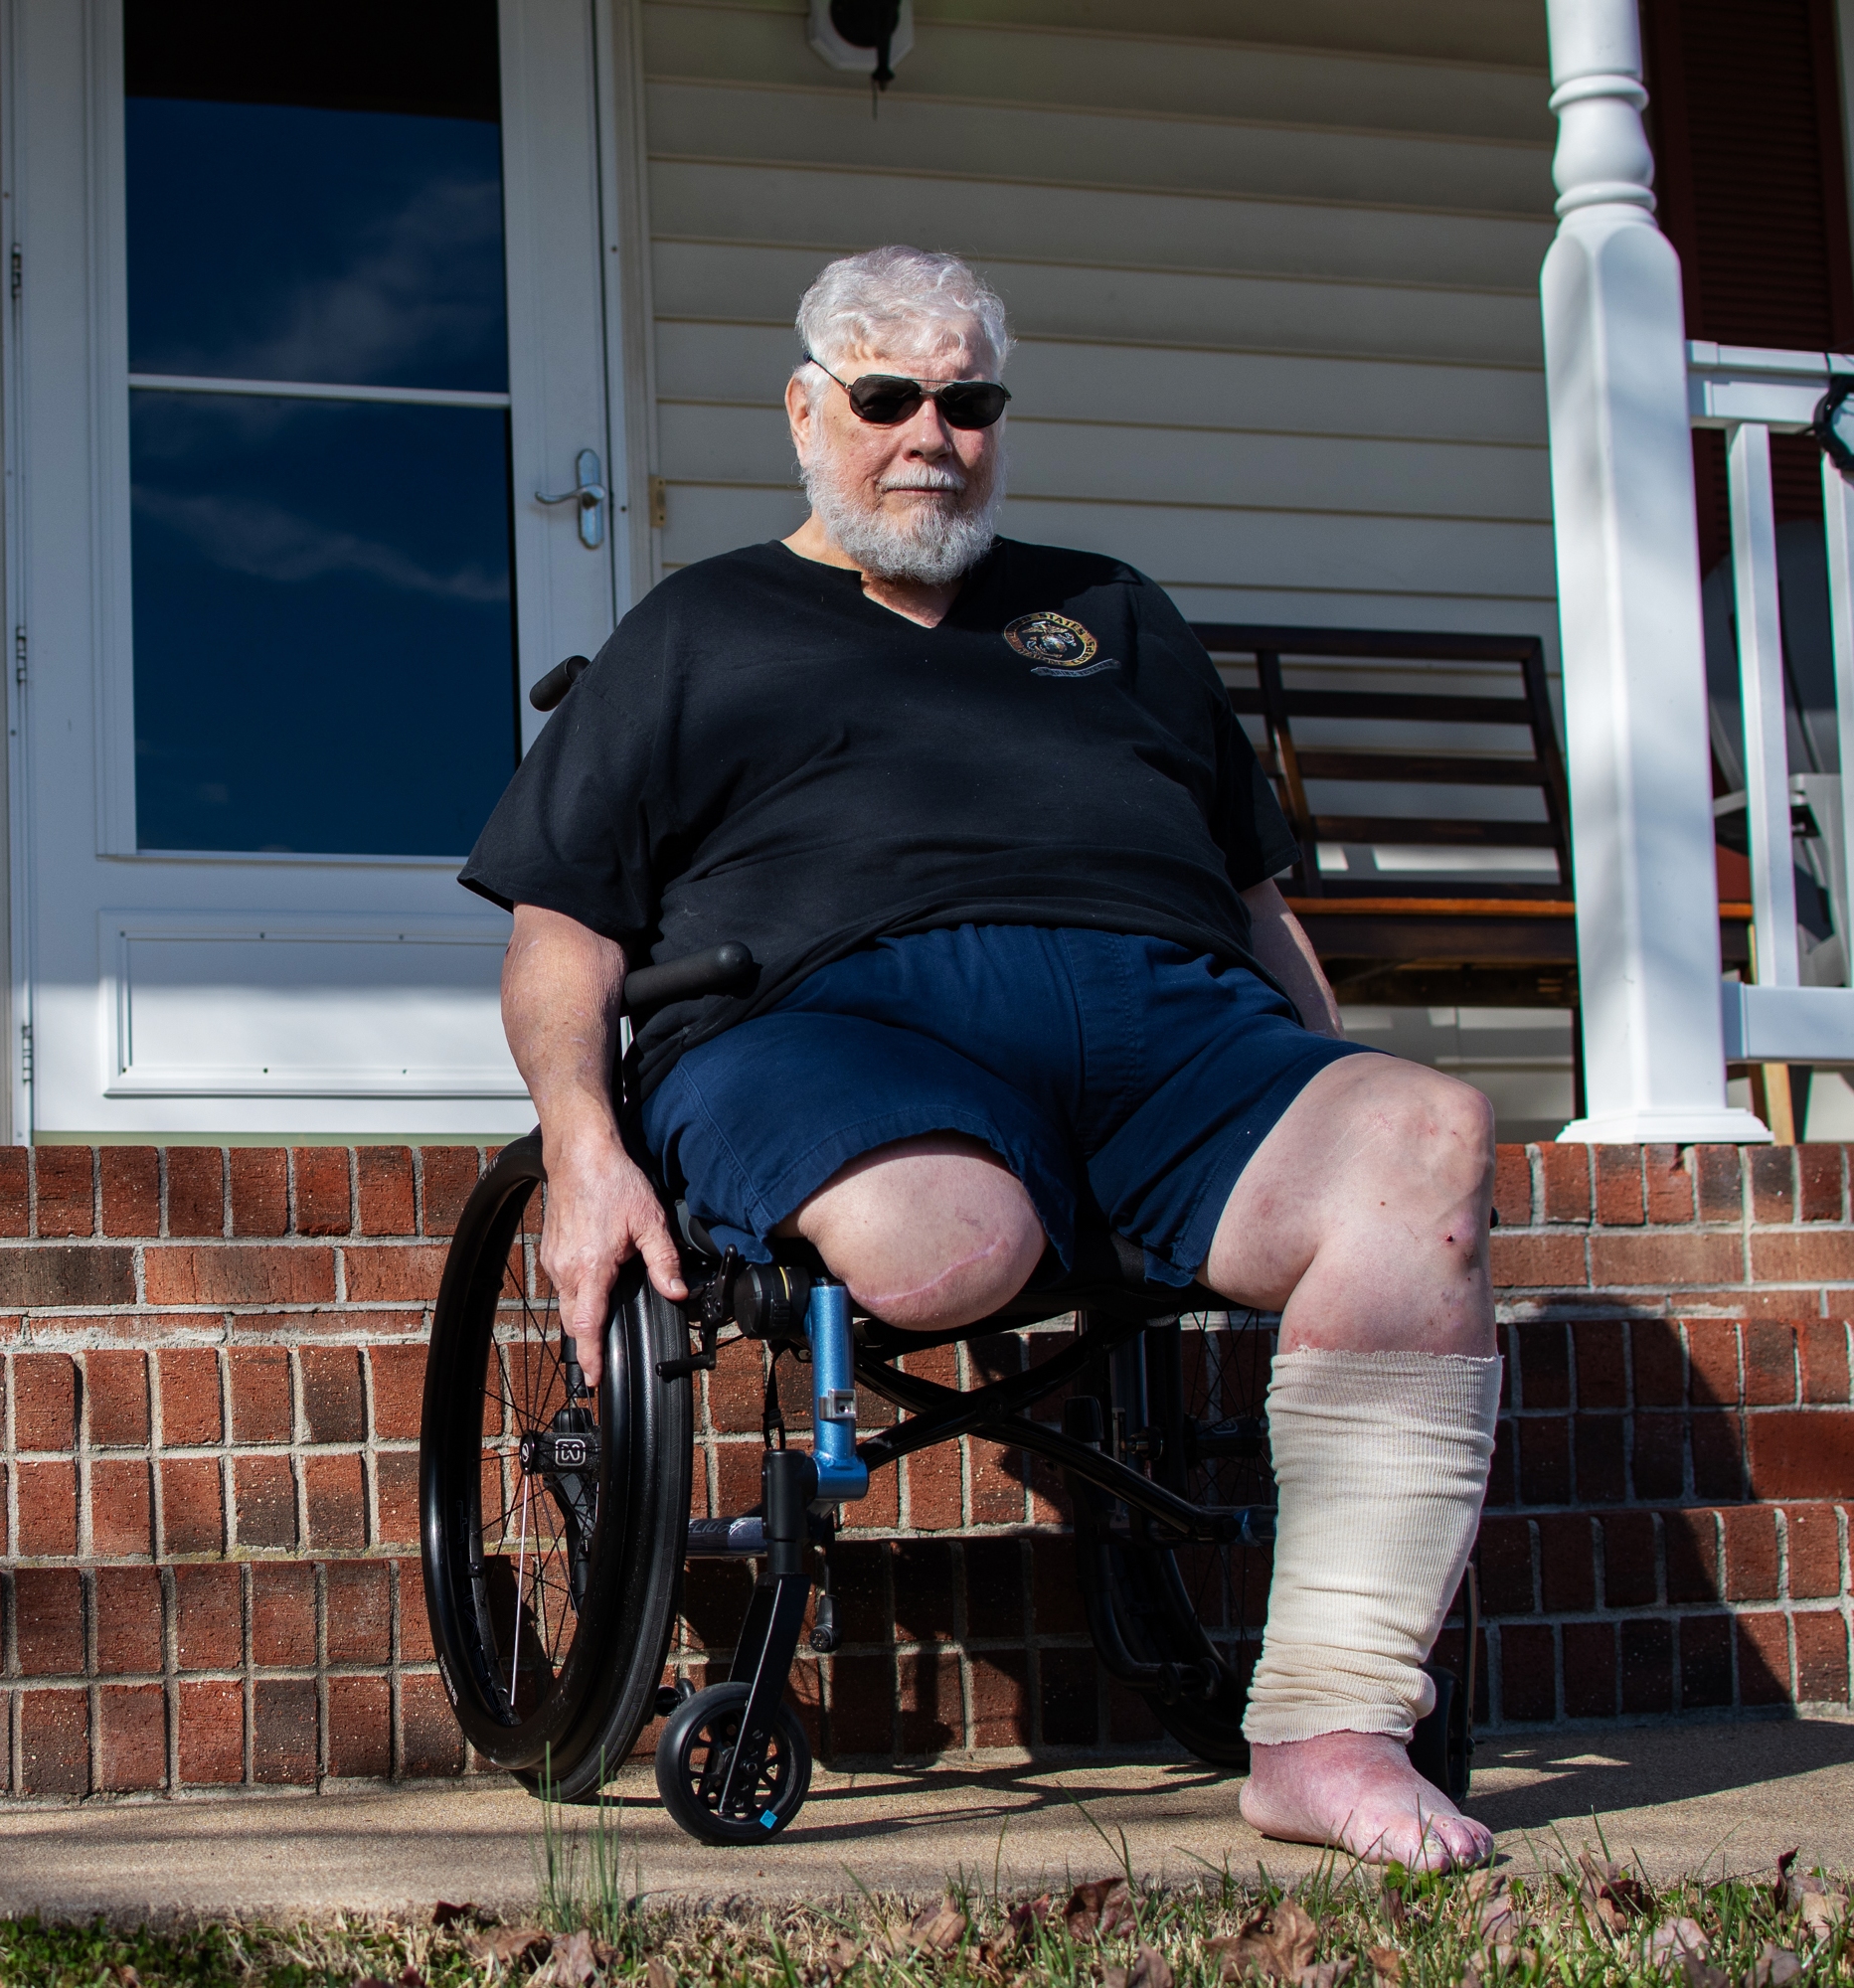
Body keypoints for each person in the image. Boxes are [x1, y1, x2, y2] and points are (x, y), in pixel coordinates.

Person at [458, 246, 1502, 1871]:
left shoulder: (1112, 612)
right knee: (946, 1245)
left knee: (1423, 1137)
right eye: (886, 397)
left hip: (1172, 1034)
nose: (929, 437)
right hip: (831, 1031)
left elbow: (1258, 908)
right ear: (805, 411)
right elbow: (563, 929)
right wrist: (585, 1147)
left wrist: (1325, 1088)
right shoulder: (700, 627)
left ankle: (1332, 1734)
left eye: (967, 401)